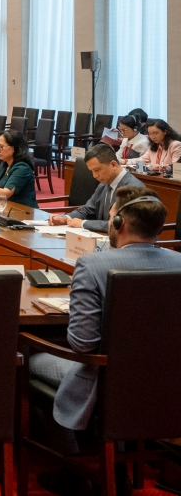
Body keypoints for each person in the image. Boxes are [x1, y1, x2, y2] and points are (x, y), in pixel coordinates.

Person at [28, 187, 181, 495]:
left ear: (119, 223)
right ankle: (117, 467)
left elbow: (83, 345)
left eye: (111, 217)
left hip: (107, 380)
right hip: (169, 381)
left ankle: (72, 470)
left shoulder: (93, 265)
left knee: (31, 357)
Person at [48, 144, 144, 232]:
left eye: (97, 170)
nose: (94, 176)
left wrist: (83, 223)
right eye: (92, 171)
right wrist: (66, 218)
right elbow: (88, 210)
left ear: (113, 164)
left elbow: (121, 225)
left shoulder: (134, 189)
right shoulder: (103, 184)